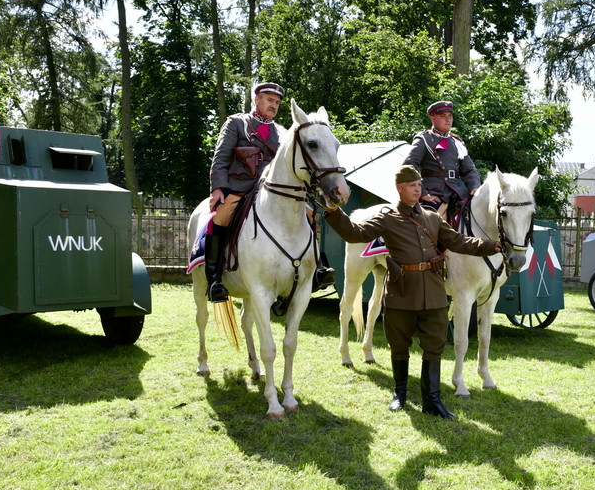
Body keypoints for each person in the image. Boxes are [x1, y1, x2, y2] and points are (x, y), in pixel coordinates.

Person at [322, 165, 502, 419]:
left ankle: (432, 400)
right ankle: (400, 394)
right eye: (411, 185)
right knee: (399, 346)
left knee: (434, 346)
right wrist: (333, 211)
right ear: (399, 188)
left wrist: (491, 245)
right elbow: (355, 233)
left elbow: (458, 241)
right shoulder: (387, 218)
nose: (417, 189)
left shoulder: (432, 217)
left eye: (419, 185)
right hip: (402, 292)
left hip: (434, 292)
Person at [204, 82, 335, 303]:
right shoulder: (236, 123)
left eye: (277, 102)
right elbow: (222, 156)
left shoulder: (283, 132)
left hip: (275, 191)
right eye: (269, 100)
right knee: (221, 217)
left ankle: (318, 269)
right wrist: (218, 187)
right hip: (241, 188)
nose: (273, 105)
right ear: (256, 99)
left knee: (311, 215)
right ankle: (215, 280)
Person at [403, 100, 482, 221]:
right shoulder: (424, 138)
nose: (448, 119)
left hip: (458, 193)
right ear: (432, 118)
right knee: (427, 225)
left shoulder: (457, 142)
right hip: (434, 194)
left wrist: (475, 187)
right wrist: (422, 193)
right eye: (443, 116)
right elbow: (409, 165)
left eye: (450, 116)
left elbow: (469, 170)